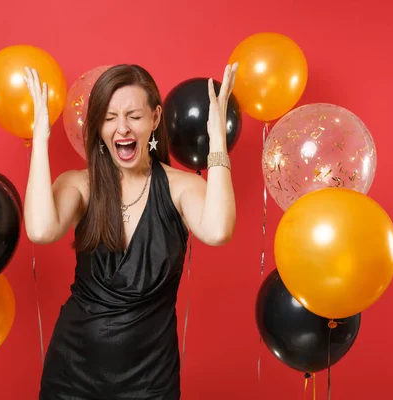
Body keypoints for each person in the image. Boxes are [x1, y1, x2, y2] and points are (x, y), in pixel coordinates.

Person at [23, 63, 237, 399]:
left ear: (154, 119)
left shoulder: (181, 187)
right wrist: (39, 136)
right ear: (97, 125)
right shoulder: (80, 184)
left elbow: (218, 231)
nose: (122, 128)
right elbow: (39, 230)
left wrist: (217, 142)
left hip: (150, 380)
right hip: (72, 371)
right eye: (109, 118)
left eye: (133, 116)